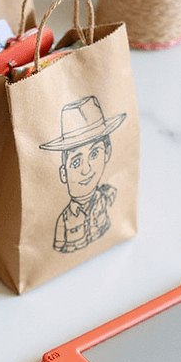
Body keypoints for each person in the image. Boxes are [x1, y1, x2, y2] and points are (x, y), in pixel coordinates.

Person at [39, 95, 127, 254]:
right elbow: (57, 253)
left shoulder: (106, 195)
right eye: (76, 162)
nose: (86, 169)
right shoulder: (64, 222)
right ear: (63, 173)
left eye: (94, 154)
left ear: (107, 153)